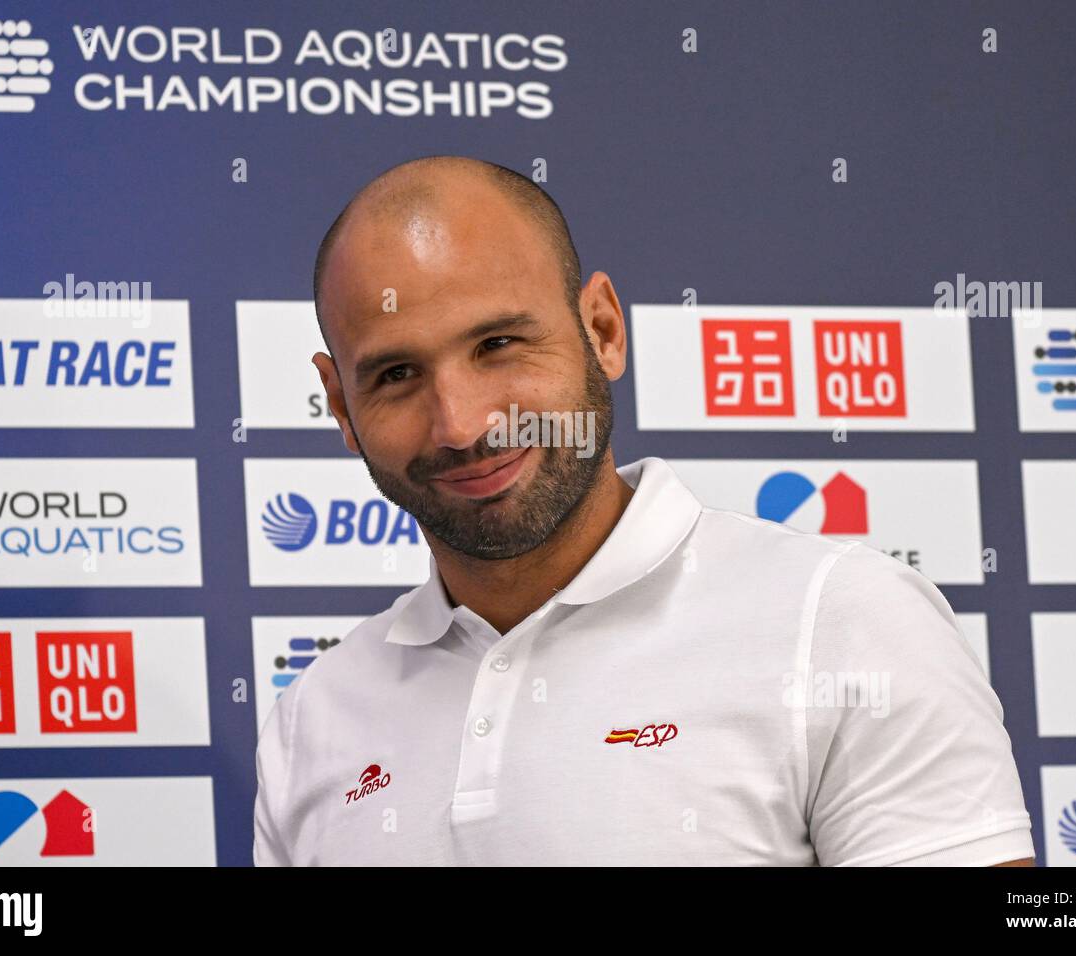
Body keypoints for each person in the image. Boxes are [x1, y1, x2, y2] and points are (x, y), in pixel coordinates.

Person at [253, 154, 1035, 866]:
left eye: (498, 344)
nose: (462, 424)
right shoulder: (313, 720)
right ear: (341, 408)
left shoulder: (840, 621)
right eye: (395, 373)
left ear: (603, 330)